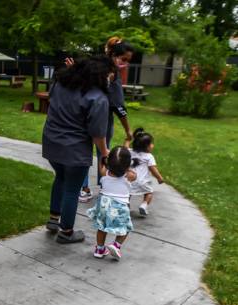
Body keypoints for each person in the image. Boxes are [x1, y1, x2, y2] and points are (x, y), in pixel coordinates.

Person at [42, 56, 113, 244]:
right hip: (75, 149)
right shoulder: (98, 97)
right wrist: (105, 154)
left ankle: (53, 219)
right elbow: (98, 133)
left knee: (61, 178)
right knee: (72, 188)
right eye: (109, 74)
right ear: (100, 75)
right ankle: (66, 232)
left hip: (51, 143)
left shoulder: (61, 84)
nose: (110, 78)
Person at [66, 37, 135, 203]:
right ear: (113, 54)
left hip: (83, 118)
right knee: (103, 153)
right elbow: (118, 106)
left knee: (86, 153)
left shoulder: (93, 67)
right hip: (102, 120)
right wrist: (127, 130)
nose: (125, 64)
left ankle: (85, 188)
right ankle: (104, 186)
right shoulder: (113, 74)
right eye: (124, 59)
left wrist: (73, 70)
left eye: (128, 61)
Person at [86, 146, 136, 261]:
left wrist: (104, 156)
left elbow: (102, 160)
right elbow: (134, 173)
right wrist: (128, 166)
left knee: (101, 227)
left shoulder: (104, 172)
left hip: (104, 205)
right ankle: (116, 245)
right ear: (127, 165)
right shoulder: (129, 176)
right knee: (125, 227)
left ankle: (99, 249)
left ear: (109, 162)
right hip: (119, 206)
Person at [125, 128, 164, 216]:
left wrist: (127, 140)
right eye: (151, 144)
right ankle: (144, 204)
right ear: (147, 146)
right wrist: (159, 178)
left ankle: (126, 206)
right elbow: (153, 169)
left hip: (130, 179)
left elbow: (125, 148)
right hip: (143, 181)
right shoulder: (149, 156)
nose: (152, 145)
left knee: (127, 194)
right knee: (149, 192)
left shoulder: (130, 152)